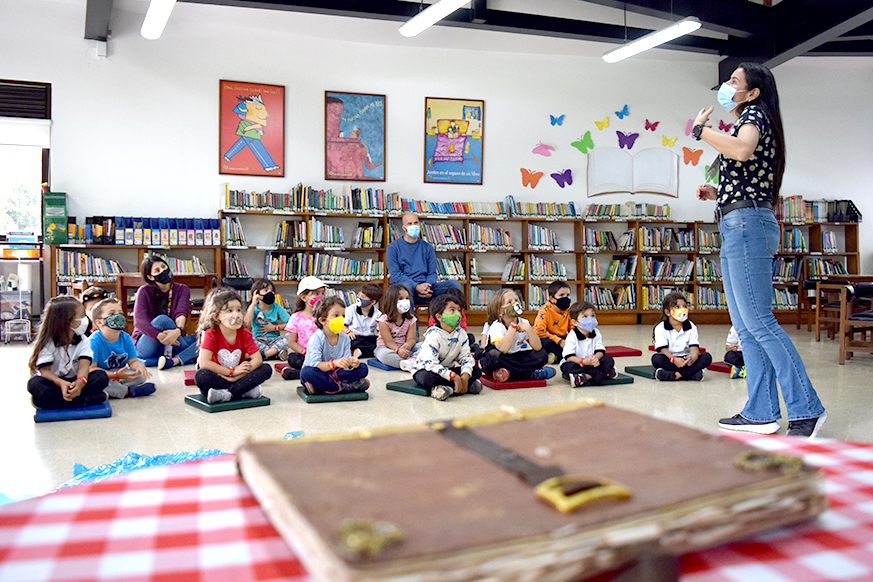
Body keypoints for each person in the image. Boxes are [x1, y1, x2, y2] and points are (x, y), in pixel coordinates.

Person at [692, 62, 826, 437]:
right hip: (739, 220)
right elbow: (751, 173)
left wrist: (703, 130)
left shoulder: (754, 114)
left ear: (752, 92)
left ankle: (807, 408)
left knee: (760, 323)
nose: (726, 85)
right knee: (747, 327)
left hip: (747, 225)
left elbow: (742, 150)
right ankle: (761, 411)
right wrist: (717, 193)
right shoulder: (748, 117)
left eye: (734, 81)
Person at [27, 296, 109, 409]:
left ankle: (59, 403)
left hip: (78, 380)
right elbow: (45, 371)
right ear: (67, 321)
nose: (85, 319)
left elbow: (84, 367)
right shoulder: (48, 342)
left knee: (100, 377)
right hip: (56, 383)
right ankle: (81, 401)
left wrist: (79, 384)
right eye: (81, 316)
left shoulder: (83, 340)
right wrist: (61, 383)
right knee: (35, 384)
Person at [195, 287, 272, 404]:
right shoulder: (211, 333)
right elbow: (204, 363)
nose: (236, 315)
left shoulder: (244, 333)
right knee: (201, 376)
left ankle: (229, 394)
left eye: (238, 310)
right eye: (229, 311)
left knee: (266, 369)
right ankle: (243, 390)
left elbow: (257, 360)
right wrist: (231, 372)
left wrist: (237, 375)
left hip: (240, 375)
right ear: (217, 316)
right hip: (219, 375)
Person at [132, 255, 198, 369]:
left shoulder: (182, 289)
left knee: (205, 335)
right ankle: (188, 356)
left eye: (164, 266)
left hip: (174, 339)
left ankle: (173, 361)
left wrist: (178, 331)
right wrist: (160, 336)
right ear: (150, 277)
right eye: (157, 270)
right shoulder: (143, 291)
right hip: (149, 342)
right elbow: (139, 322)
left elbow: (181, 312)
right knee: (162, 320)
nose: (163, 271)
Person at [413, 294, 482, 401]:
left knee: (476, 370)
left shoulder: (461, 333)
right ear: (439, 317)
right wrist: (453, 377)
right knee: (428, 378)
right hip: (427, 369)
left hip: (448, 369)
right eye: (452, 310)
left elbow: (466, 357)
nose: (457, 314)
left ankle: (449, 387)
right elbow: (430, 364)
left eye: (458, 310)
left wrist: (465, 375)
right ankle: (454, 387)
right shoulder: (433, 335)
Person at [386, 212, 462, 304]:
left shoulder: (428, 247)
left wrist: (427, 286)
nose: (413, 226)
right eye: (409, 224)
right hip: (405, 288)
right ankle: (409, 318)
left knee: (454, 285)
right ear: (404, 228)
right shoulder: (393, 247)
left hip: (426, 288)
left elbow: (432, 273)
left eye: (416, 223)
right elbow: (396, 274)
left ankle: (449, 317)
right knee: (406, 288)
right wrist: (416, 286)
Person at [480, 288, 553, 383]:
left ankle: (509, 374)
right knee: (494, 357)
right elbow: (503, 349)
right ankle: (531, 374)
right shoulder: (497, 326)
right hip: (500, 357)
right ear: (500, 312)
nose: (515, 304)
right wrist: (512, 328)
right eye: (509, 302)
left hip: (514, 357)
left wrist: (528, 329)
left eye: (516, 300)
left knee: (542, 355)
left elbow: (538, 347)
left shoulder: (524, 322)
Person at [300, 296, 370, 395]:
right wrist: (333, 364)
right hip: (319, 372)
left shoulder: (345, 338)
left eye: (343, 315)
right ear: (322, 320)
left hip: (337, 373)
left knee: (363, 368)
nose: (341, 319)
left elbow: (346, 363)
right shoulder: (317, 338)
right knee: (306, 373)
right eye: (336, 315)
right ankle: (344, 386)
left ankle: (324, 387)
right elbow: (315, 364)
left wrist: (351, 363)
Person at [89, 298, 155, 399]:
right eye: (112, 314)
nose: (118, 316)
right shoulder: (94, 340)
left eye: (120, 313)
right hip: (102, 375)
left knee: (139, 377)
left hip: (120, 373)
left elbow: (132, 361)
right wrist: (114, 375)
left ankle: (116, 390)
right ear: (99, 322)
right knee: (96, 383)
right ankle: (128, 391)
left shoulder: (126, 337)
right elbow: (91, 369)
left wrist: (139, 367)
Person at [651, 293, 712, 382]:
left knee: (707, 357)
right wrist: (674, 359)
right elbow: (663, 350)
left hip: (686, 359)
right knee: (656, 359)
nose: (682, 310)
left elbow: (694, 347)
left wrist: (693, 356)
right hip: (670, 358)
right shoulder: (661, 327)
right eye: (677, 307)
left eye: (684, 306)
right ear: (668, 312)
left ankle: (676, 375)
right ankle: (691, 374)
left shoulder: (691, 326)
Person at [279, 276, 328, 381]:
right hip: (304, 355)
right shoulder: (296, 317)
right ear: (303, 297)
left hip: (322, 355)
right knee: (293, 358)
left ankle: (301, 373)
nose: (321, 297)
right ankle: (315, 371)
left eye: (322, 293)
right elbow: (292, 342)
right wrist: (304, 352)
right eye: (316, 293)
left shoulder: (325, 317)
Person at [560, 301, 616, 387]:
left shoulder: (596, 332)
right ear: (575, 322)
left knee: (608, 359)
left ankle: (585, 377)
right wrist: (584, 362)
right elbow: (569, 357)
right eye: (585, 316)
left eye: (592, 316)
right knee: (568, 367)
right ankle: (605, 373)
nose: (590, 319)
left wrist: (595, 359)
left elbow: (600, 350)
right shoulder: (572, 335)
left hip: (593, 363)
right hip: (578, 362)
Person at [374, 283, 421, 370]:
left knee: (424, 346)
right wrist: (398, 350)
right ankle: (411, 363)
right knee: (384, 355)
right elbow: (388, 342)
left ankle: (412, 360)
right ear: (392, 301)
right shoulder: (383, 320)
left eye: (407, 298)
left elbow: (412, 339)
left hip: (405, 348)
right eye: (401, 298)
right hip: (388, 348)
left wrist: (408, 345)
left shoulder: (411, 319)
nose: (405, 301)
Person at [426, 287, 481, 359]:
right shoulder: (438, 314)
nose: (457, 312)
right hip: (442, 338)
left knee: (470, 338)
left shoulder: (460, 314)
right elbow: (432, 327)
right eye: (452, 309)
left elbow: (463, 327)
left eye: (458, 309)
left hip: (457, 337)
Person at [245, 278, 290, 361]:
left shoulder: (277, 306)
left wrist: (274, 328)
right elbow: (246, 325)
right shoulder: (254, 308)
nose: (270, 293)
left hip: (275, 340)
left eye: (272, 290)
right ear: (257, 293)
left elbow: (291, 324)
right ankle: (275, 353)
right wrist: (253, 303)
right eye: (266, 290)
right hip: (258, 339)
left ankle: (264, 355)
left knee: (292, 336)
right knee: (247, 340)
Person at [534, 281, 573, 364]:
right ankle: (563, 356)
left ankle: (557, 356)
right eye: (561, 295)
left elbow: (572, 328)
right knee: (543, 343)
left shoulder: (569, 311)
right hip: (549, 338)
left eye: (568, 295)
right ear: (552, 299)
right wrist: (559, 341)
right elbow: (538, 331)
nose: (566, 298)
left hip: (562, 338)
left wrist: (572, 339)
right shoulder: (545, 310)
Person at [344, 284, 383, 359]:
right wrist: (348, 332)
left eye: (363, 297)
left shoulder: (378, 314)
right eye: (359, 295)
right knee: (350, 340)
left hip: (368, 337)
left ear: (372, 302)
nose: (359, 298)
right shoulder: (351, 309)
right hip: (354, 336)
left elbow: (380, 331)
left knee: (378, 343)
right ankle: (366, 351)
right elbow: (342, 325)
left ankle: (360, 351)